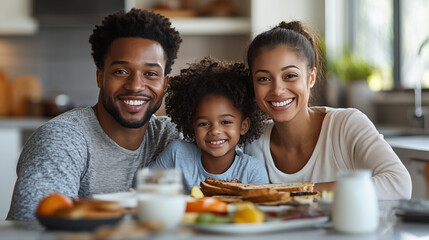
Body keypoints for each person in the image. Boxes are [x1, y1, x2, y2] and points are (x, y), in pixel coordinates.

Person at [7, 9, 183, 221]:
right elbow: (34, 227)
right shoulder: (62, 139)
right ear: (100, 77)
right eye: (121, 71)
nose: (135, 85)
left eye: (151, 74)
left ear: (164, 84)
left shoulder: (170, 137)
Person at [244, 21, 412, 200]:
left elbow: (399, 184)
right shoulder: (253, 142)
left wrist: (294, 192)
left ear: (311, 77)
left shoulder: (346, 125)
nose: (277, 90)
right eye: (263, 79)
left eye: (290, 76)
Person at [149, 57, 270, 193]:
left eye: (226, 122)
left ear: (244, 126)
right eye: (204, 123)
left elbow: (261, 210)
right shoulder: (176, 154)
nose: (215, 131)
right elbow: (144, 189)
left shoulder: (251, 170)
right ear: (191, 126)